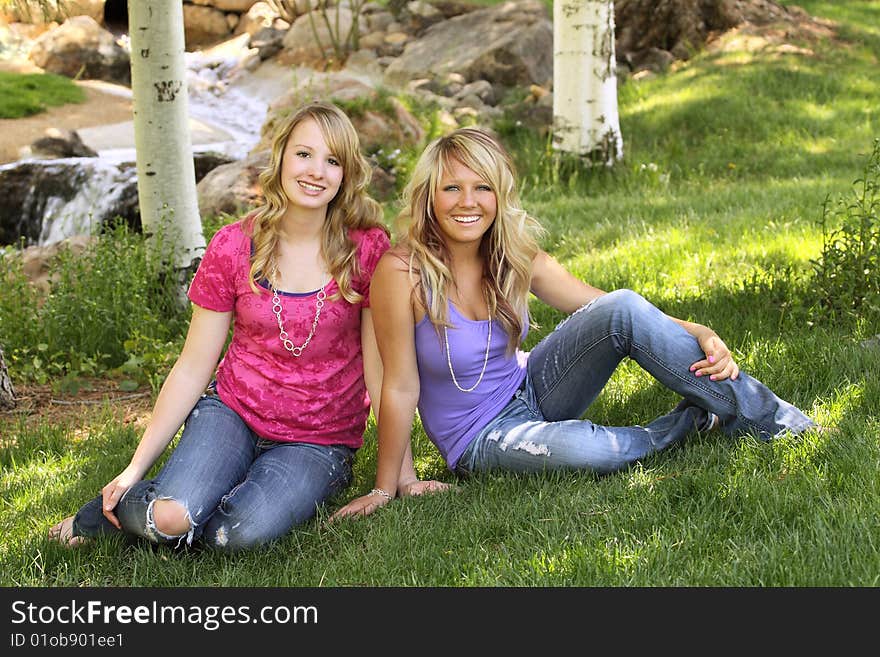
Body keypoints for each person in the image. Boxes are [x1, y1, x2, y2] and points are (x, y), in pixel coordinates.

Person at [331, 127, 818, 520]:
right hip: (478, 439)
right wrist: (389, 484)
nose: (468, 201)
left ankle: (778, 422)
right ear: (429, 197)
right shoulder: (403, 273)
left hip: (533, 387)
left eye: (482, 187)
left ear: (499, 196)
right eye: (452, 187)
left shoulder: (513, 256)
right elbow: (397, 386)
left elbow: (611, 308)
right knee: (594, 454)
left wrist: (696, 330)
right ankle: (695, 421)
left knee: (625, 306)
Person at [48, 101, 441, 550]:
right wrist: (135, 467)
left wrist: (401, 478)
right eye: (304, 154)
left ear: (346, 175)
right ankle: (108, 512)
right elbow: (194, 366)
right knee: (173, 518)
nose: (316, 171)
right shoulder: (234, 245)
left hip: (319, 439)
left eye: (332, 161)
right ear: (281, 160)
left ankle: (190, 503)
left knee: (234, 536)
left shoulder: (366, 249)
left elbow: (379, 368)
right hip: (233, 413)